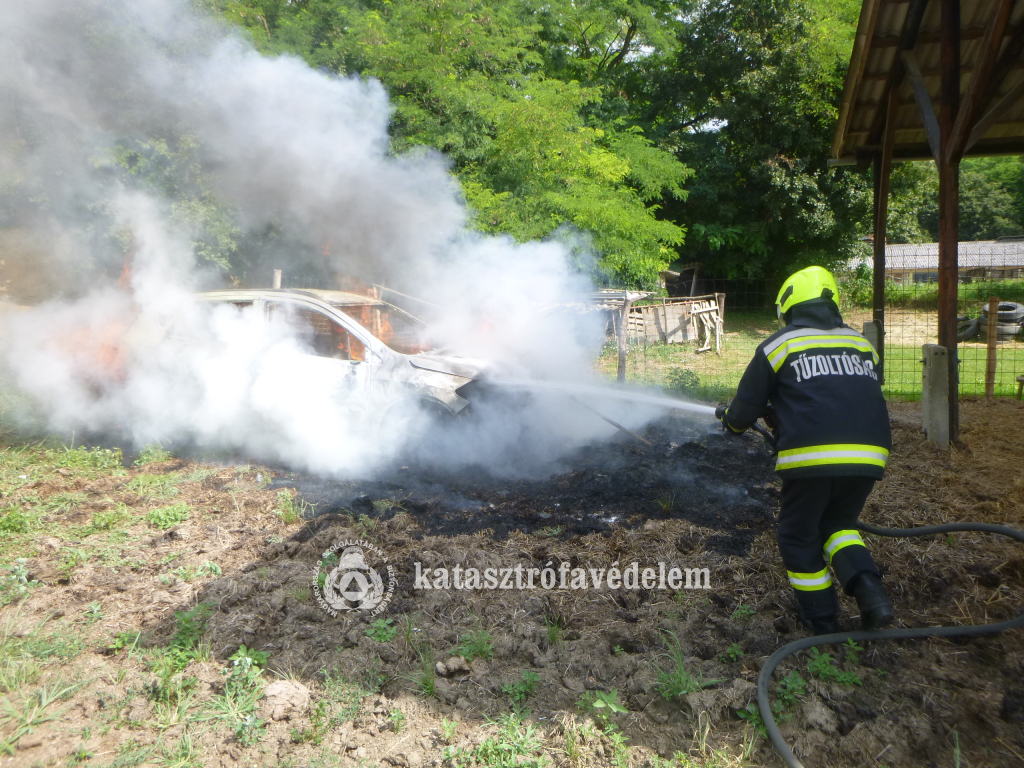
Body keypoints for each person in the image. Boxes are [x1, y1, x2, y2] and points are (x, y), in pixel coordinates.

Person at [715, 266, 894, 634]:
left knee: (798, 536)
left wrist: (732, 423)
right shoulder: (862, 344)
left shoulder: (779, 345)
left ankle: (821, 620)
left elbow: (744, 410)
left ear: (789, 305)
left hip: (812, 457)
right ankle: (871, 592)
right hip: (869, 456)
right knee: (837, 526)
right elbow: (845, 393)